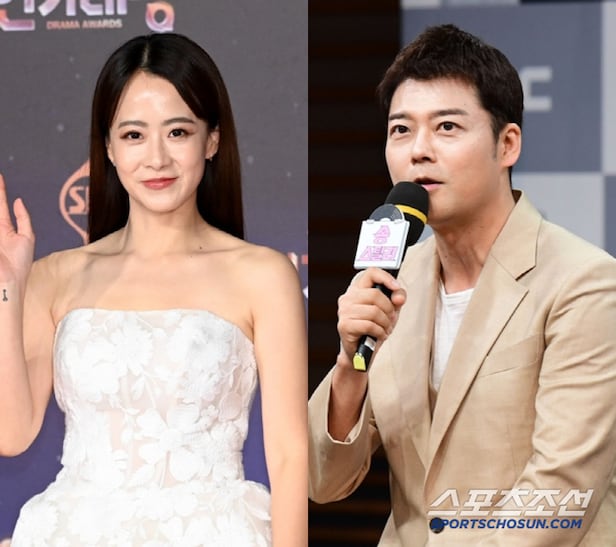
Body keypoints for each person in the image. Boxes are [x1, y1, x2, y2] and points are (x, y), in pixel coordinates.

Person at [308, 23, 616, 546]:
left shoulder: (584, 283)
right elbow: (324, 481)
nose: (418, 151)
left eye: (446, 127)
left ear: (507, 144)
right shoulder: (395, 280)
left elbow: (558, 495)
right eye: (401, 130)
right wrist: (349, 365)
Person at [0, 33, 307, 546]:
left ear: (212, 140)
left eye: (178, 132)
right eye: (134, 135)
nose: (157, 158)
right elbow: (11, 433)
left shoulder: (263, 275)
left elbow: (290, 456)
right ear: (109, 147)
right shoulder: (56, 276)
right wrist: (7, 289)